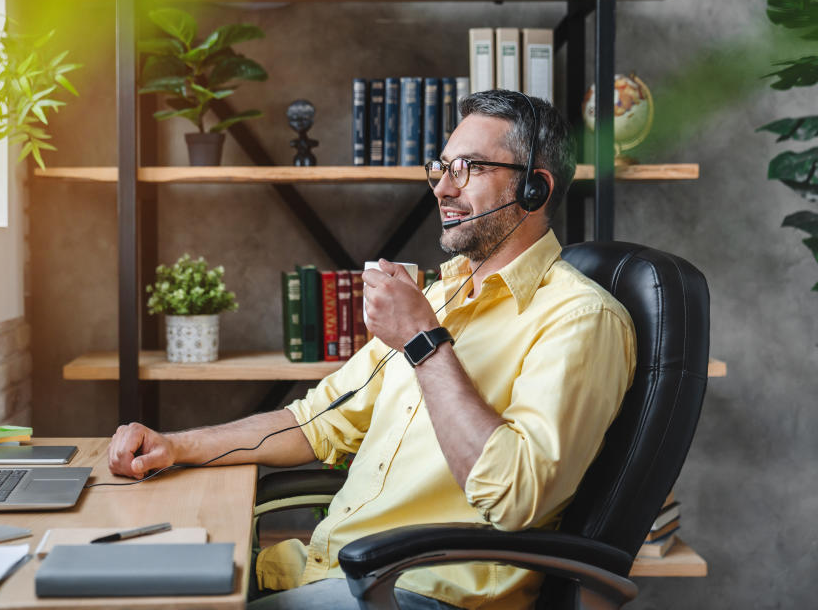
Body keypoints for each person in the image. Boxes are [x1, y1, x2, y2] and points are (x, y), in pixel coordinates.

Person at [107, 90, 636, 610]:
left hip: (417, 594)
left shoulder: (580, 319)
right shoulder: (439, 297)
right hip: (324, 572)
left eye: (468, 168)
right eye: (442, 167)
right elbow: (317, 421)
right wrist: (175, 446)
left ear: (533, 190)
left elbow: (516, 496)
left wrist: (423, 341)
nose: (442, 190)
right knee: (126, 587)